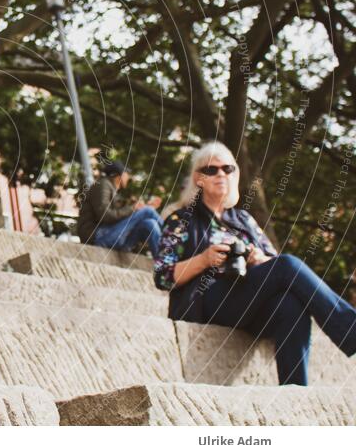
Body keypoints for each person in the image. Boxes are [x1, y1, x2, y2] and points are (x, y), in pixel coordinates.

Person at [153, 141, 356, 386]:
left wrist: (258, 259)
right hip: (204, 300)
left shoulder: (243, 219)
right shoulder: (180, 219)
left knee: (290, 305)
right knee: (288, 265)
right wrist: (204, 259)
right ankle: (350, 328)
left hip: (245, 297)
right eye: (211, 169)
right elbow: (163, 276)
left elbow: (273, 260)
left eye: (228, 169)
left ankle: (295, 392)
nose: (221, 174)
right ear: (198, 178)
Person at [76, 160, 163, 257]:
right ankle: (173, 233)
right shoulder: (103, 185)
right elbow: (105, 216)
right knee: (148, 211)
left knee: (150, 223)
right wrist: (134, 208)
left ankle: (163, 264)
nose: (128, 177)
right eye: (127, 173)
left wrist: (137, 207)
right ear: (119, 174)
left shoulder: (111, 188)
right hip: (97, 237)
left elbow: (120, 214)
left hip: (111, 236)